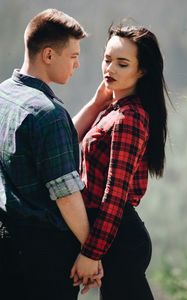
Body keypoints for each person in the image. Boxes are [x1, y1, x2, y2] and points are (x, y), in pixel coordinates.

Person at [0, 8, 107, 300]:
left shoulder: (4, 95)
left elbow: (44, 148)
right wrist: (90, 251)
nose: (77, 65)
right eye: (72, 57)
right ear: (48, 55)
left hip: (8, 241)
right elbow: (66, 194)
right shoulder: (49, 114)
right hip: (44, 254)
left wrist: (95, 106)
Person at [72, 24, 169, 299]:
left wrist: (91, 253)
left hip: (120, 239)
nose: (110, 69)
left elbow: (114, 195)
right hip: (109, 236)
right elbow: (65, 143)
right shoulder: (112, 110)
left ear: (142, 70)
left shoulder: (129, 119)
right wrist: (95, 103)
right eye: (107, 59)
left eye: (122, 64)